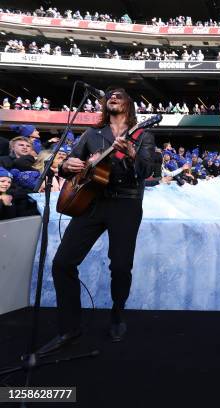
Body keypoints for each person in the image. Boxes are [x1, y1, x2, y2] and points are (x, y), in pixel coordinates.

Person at [39, 87, 155, 353]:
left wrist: (132, 153)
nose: (113, 98)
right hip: (91, 201)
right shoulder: (92, 134)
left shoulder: (143, 134)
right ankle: (70, 327)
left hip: (126, 203)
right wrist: (67, 166)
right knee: (62, 263)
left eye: (120, 96)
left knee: (121, 265)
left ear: (129, 104)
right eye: (110, 96)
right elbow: (69, 161)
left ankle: (117, 313)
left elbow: (149, 170)